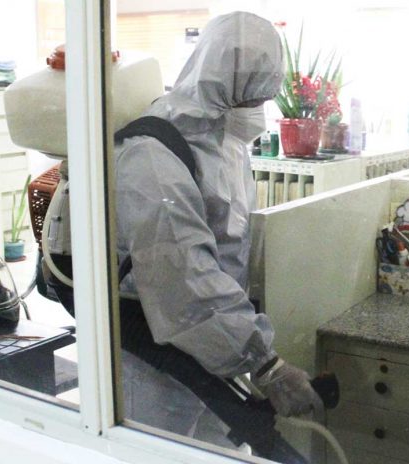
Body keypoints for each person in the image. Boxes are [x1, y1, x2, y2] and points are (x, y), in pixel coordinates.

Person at [114, 11, 321, 449]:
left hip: (213, 350)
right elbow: (181, 278)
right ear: (218, 81)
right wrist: (264, 363)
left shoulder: (226, 144)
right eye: (250, 98)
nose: (257, 111)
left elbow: (228, 247)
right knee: (154, 452)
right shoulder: (154, 153)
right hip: (158, 360)